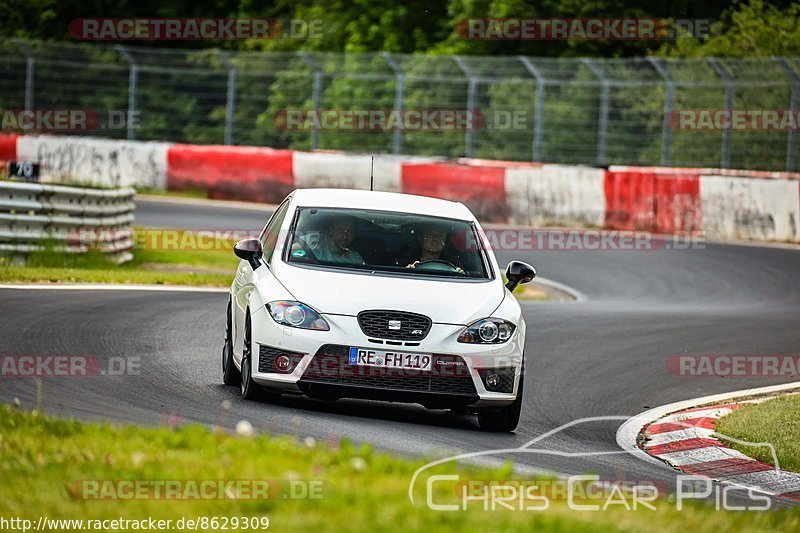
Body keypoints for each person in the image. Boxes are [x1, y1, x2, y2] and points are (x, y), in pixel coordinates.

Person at [293, 214, 365, 266]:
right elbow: (291, 251)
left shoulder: (356, 259)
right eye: (341, 231)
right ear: (331, 231)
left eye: (350, 232)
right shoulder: (315, 240)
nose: (345, 237)